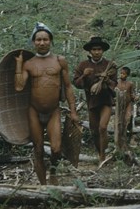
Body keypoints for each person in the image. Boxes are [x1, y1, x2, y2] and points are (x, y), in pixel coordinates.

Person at [15, 22, 78, 185]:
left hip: (53, 111)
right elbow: (19, 86)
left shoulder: (59, 61)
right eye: (38, 40)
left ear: (50, 41)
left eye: (45, 39)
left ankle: (54, 172)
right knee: (38, 149)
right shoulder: (29, 64)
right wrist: (18, 64)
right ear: (33, 42)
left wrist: (73, 111)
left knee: (56, 148)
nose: (42, 43)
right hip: (34, 111)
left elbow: (69, 86)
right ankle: (43, 186)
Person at [73, 36, 117, 164]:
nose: (97, 52)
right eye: (94, 49)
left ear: (103, 51)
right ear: (90, 51)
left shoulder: (109, 65)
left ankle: (103, 157)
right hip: (92, 102)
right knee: (94, 130)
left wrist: (107, 79)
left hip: (106, 101)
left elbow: (115, 85)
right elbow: (76, 83)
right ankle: (100, 152)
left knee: (103, 127)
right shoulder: (83, 65)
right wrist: (84, 75)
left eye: (99, 49)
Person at [117, 66, 136, 141]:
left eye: (123, 74)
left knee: (127, 119)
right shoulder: (116, 83)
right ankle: (119, 137)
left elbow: (132, 94)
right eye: (121, 73)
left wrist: (135, 97)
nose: (122, 75)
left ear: (127, 75)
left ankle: (128, 136)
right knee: (119, 121)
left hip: (128, 104)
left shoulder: (130, 84)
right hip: (119, 105)